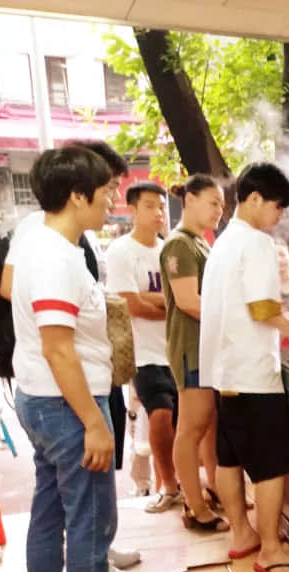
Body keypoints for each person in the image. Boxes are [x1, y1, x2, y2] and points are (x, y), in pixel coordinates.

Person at [9, 145, 161, 572]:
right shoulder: (53, 257)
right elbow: (58, 348)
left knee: (51, 508)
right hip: (66, 405)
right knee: (90, 518)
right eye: (104, 192)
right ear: (77, 196)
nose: (111, 199)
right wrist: (95, 424)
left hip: (43, 399)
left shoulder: (47, 245)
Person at [199, 163, 289, 572]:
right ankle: (270, 549)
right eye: (277, 206)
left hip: (223, 373)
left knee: (229, 458)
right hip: (252, 374)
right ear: (254, 199)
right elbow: (262, 307)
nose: (278, 216)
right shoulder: (257, 243)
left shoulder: (223, 243)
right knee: (271, 463)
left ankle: (243, 533)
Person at [106, 181, 184, 514]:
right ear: (133, 209)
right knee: (161, 416)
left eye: (162, 206)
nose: (158, 213)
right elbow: (131, 304)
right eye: (150, 206)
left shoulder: (168, 250)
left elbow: (183, 300)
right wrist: (167, 303)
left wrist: (158, 300)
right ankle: (167, 486)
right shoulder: (121, 251)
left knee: (184, 422)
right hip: (143, 353)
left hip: (177, 350)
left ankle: (183, 484)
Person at [161, 175, 228, 532]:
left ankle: (214, 489)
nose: (220, 210)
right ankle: (193, 506)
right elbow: (189, 302)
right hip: (192, 349)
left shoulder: (201, 244)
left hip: (208, 348)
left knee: (209, 425)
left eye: (221, 204)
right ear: (188, 200)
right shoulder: (179, 246)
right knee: (191, 427)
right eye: (213, 202)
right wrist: (235, 316)